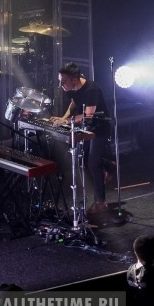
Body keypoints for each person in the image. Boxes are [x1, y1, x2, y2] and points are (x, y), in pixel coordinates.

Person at [50, 62, 111, 216]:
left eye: (63, 81)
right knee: (83, 159)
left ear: (75, 79)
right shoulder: (72, 88)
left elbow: (88, 115)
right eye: (60, 81)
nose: (61, 85)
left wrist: (66, 121)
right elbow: (73, 103)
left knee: (93, 163)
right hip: (87, 127)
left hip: (100, 127)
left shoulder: (92, 89)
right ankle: (109, 165)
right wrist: (63, 118)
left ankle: (101, 202)